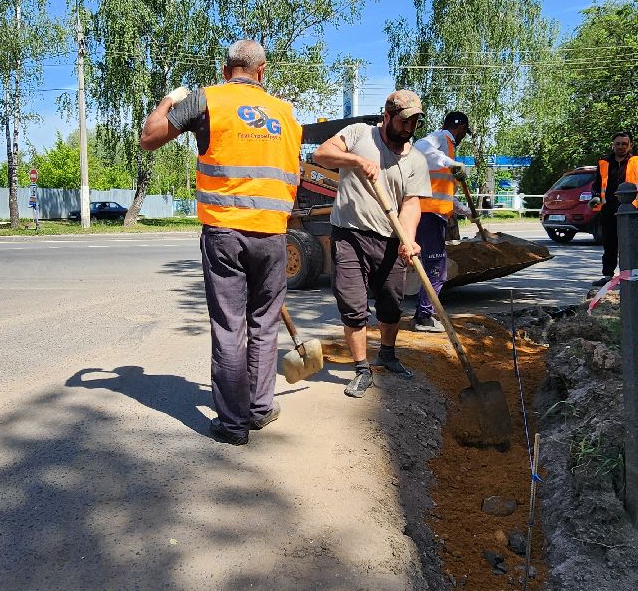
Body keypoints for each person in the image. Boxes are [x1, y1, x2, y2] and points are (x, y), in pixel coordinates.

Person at [139, 39, 302, 446]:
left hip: (226, 232)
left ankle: (233, 424)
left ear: (226, 70)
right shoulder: (285, 113)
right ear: (262, 71)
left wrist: (168, 100)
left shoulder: (207, 100)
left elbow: (150, 137)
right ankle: (259, 409)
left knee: (230, 326)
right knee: (264, 323)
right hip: (274, 233)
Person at [311, 91, 432, 398]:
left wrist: (408, 239)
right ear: (387, 116)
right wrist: (355, 160)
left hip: (390, 239)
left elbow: (411, 204)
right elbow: (321, 155)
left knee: (391, 303)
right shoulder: (359, 135)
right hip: (349, 235)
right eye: (403, 121)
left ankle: (387, 354)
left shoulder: (416, 160)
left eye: (414, 122)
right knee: (353, 305)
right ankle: (362, 369)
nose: (408, 128)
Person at [409, 111, 472, 332]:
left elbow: (444, 194)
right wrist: (451, 163)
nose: (463, 136)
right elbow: (420, 146)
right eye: (464, 131)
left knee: (433, 267)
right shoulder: (441, 138)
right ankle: (423, 317)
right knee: (437, 268)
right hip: (429, 215)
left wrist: (467, 212)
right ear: (461, 127)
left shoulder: (446, 148)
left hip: (433, 215)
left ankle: (423, 314)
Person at [591, 130, 638, 281]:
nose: (621, 146)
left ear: (630, 145)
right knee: (609, 245)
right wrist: (596, 197)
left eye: (624, 144)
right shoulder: (604, 163)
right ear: (612, 145)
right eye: (618, 143)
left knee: (631, 246)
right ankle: (608, 276)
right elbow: (597, 185)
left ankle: (632, 276)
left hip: (632, 212)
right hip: (609, 210)